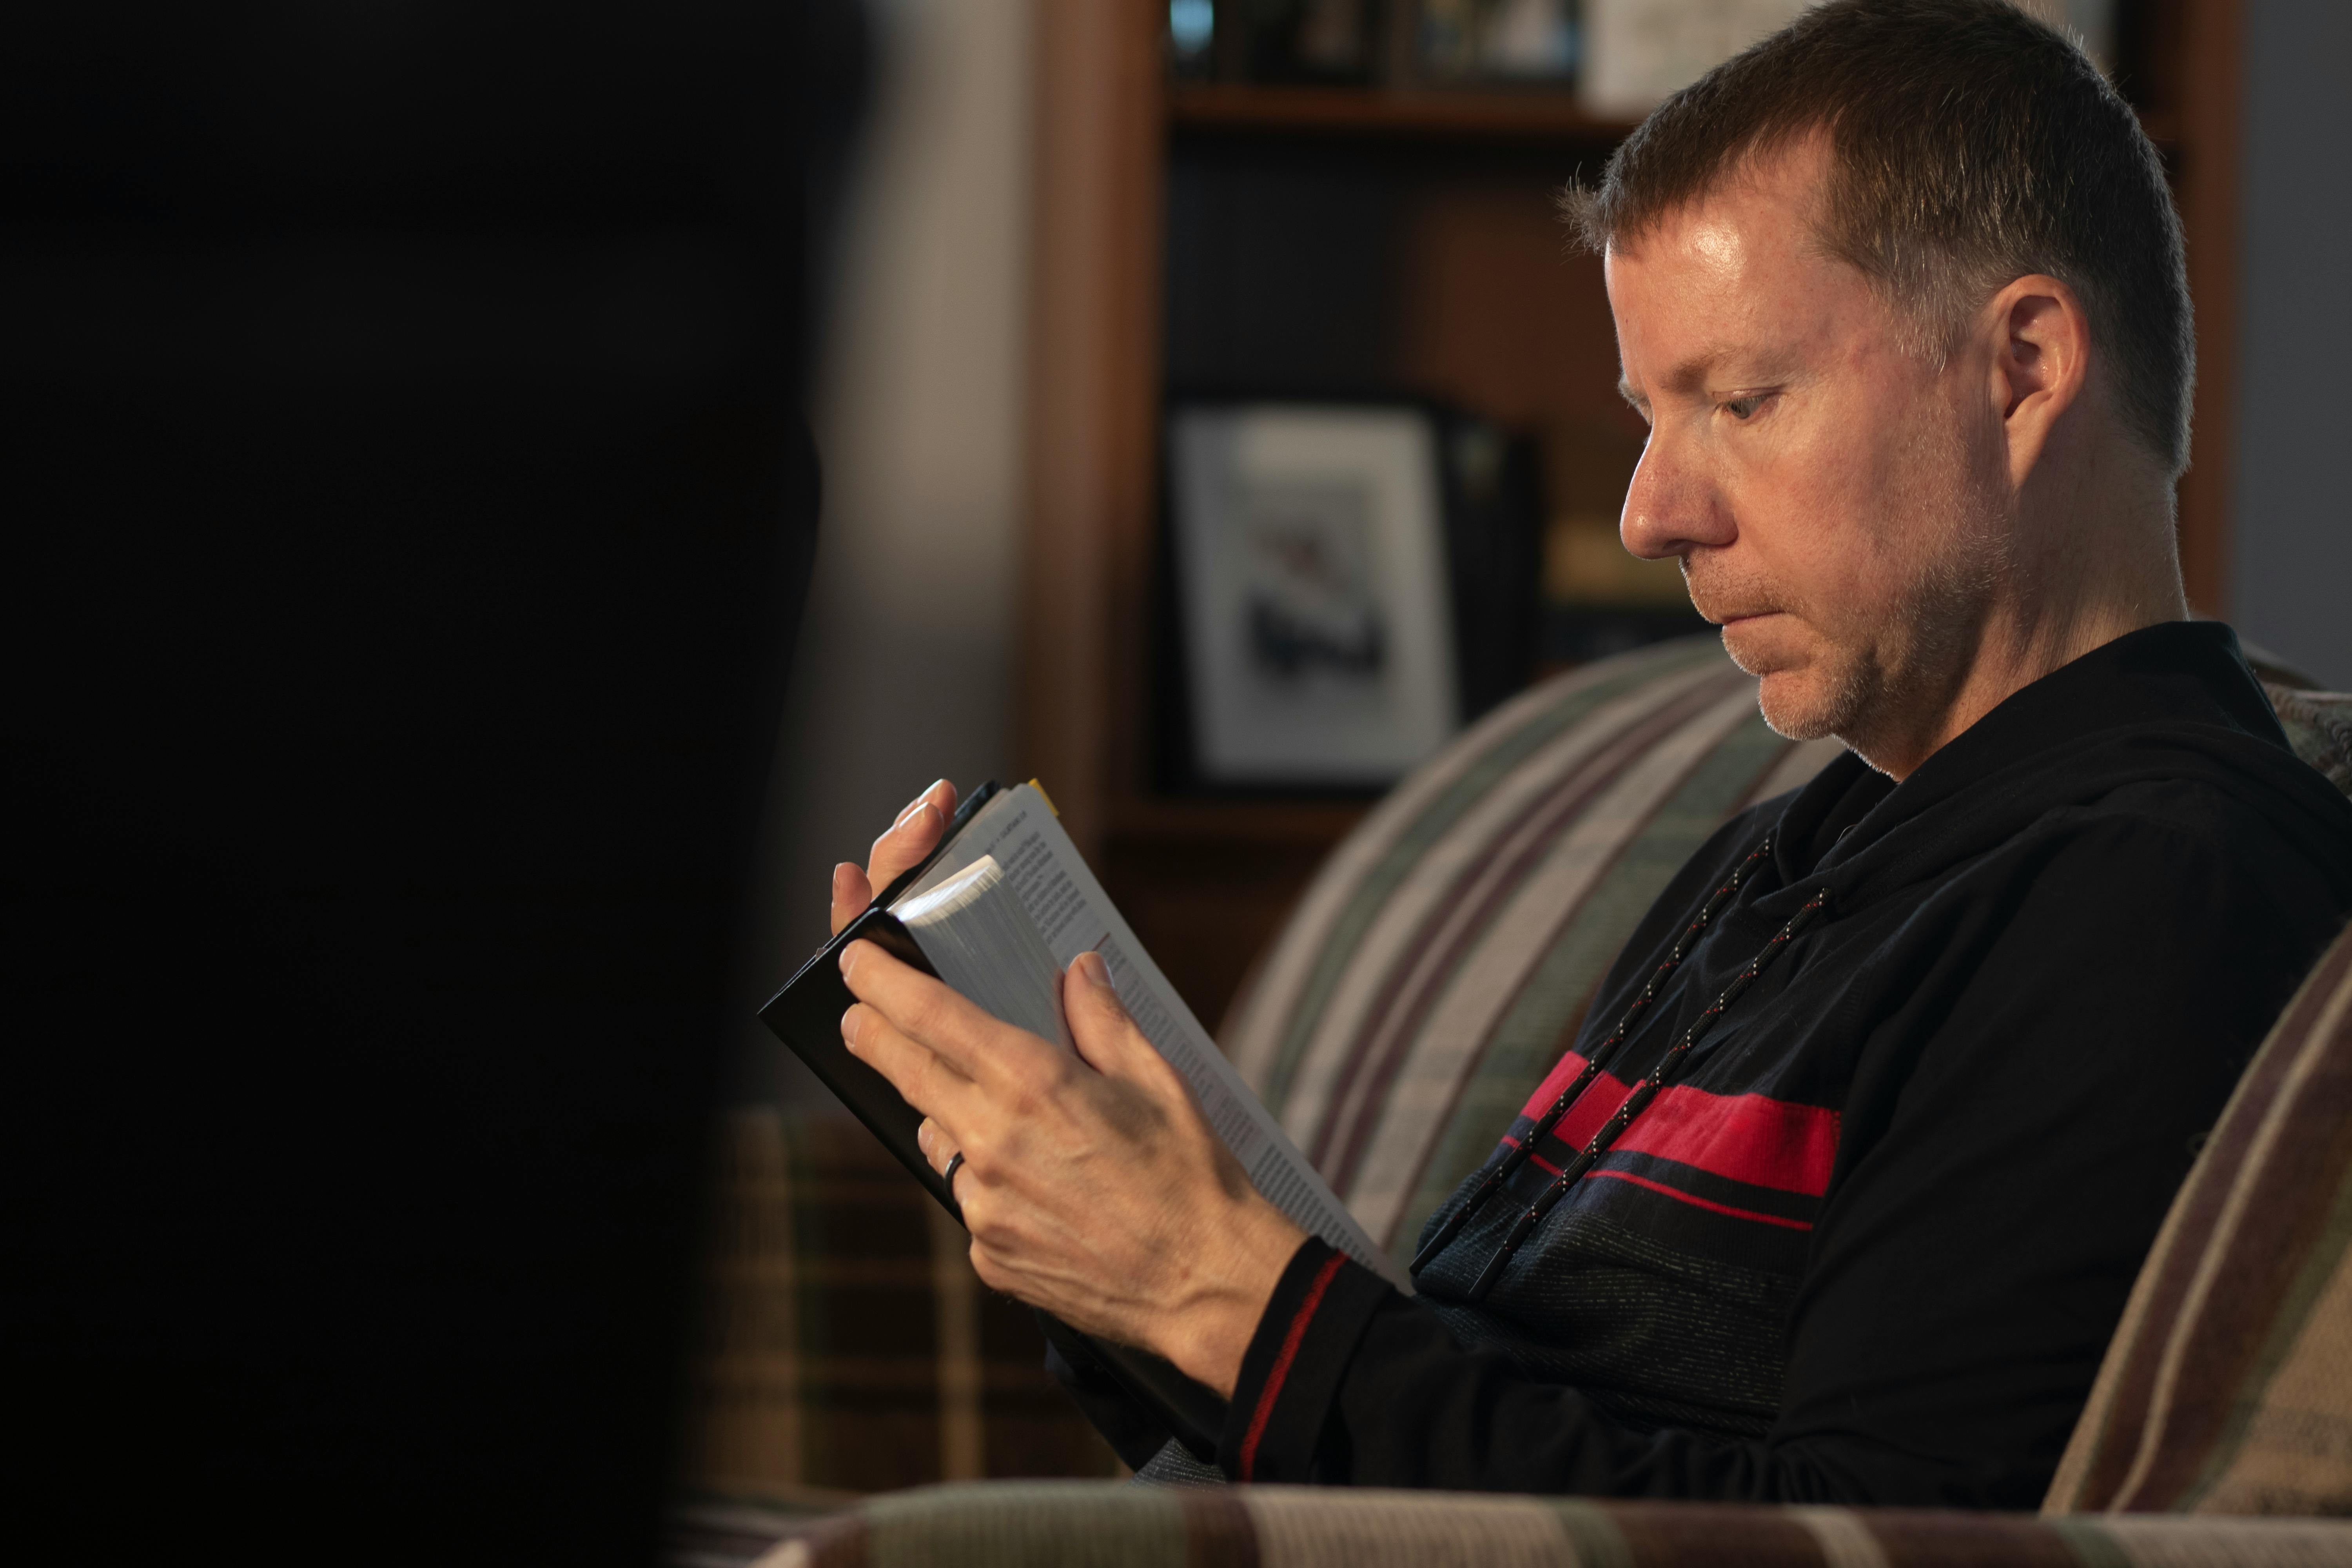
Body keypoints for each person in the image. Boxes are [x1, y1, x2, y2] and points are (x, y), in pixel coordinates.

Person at [826, 0, 2352, 1507]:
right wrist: (1120, 1234)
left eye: (1742, 400)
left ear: (2023, 365)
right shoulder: (1800, 849)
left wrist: (1222, 1296)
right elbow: (1473, 1411)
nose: (1649, 514)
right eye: (1648, 414)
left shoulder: (2157, 885)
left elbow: (1871, 1547)